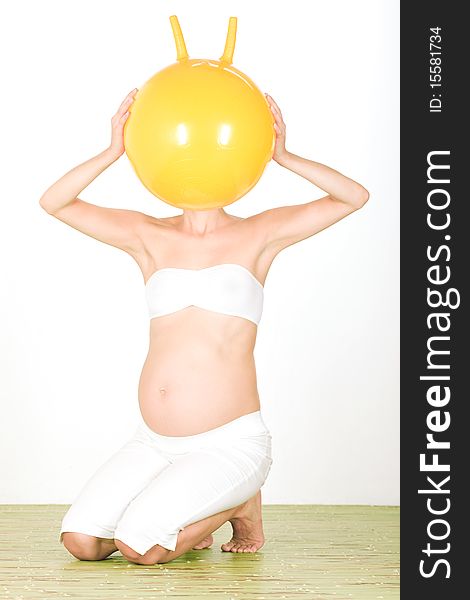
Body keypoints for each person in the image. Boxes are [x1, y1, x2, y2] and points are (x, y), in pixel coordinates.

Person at [39, 88, 369, 565]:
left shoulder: (259, 232)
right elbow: (55, 202)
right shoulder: (147, 235)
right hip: (152, 440)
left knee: (142, 550)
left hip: (228, 441)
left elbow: (353, 197)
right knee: (81, 543)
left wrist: (283, 155)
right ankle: (178, 513)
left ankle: (238, 501)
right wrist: (113, 150)